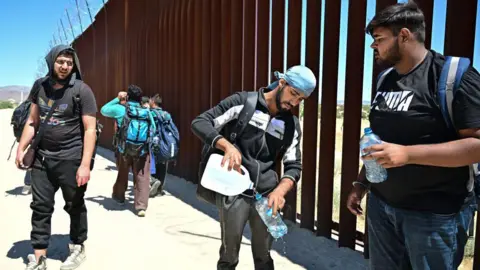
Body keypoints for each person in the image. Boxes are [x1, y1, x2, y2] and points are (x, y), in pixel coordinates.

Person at [346, 2, 480, 269]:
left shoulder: (453, 76)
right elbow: (379, 139)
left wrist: (407, 154)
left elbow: (477, 145)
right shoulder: (385, 80)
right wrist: (362, 184)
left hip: (434, 216)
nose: (374, 46)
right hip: (382, 207)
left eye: (380, 39)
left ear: (405, 35)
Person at [191, 65, 316, 270]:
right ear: (282, 83)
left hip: (266, 197)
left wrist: (280, 191)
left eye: (301, 99)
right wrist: (226, 146)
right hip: (234, 192)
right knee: (229, 256)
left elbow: (294, 165)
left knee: (264, 257)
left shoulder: (291, 125)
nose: (294, 102)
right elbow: (201, 122)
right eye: (294, 94)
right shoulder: (244, 102)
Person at [15, 45, 97, 270]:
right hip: (42, 158)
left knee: (75, 205)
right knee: (40, 206)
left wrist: (85, 165)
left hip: (71, 159)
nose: (65, 66)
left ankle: (78, 246)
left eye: (69, 63)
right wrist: (21, 148)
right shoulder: (40, 87)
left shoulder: (82, 90)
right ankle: (39, 256)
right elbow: (33, 121)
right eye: (61, 61)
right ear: (52, 61)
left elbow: (90, 129)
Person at [100, 85, 156, 217]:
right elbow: (153, 127)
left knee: (123, 173)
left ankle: (119, 197)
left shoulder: (121, 110)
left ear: (128, 97)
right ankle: (141, 206)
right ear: (140, 98)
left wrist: (117, 98)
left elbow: (103, 110)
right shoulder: (146, 111)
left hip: (124, 149)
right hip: (142, 150)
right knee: (142, 176)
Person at [149, 94, 171, 197]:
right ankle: (160, 189)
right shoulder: (166, 114)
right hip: (165, 143)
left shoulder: (150, 113)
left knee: (152, 164)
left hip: (153, 142)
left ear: (153, 102)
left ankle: (153, 183)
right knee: (162, 165)